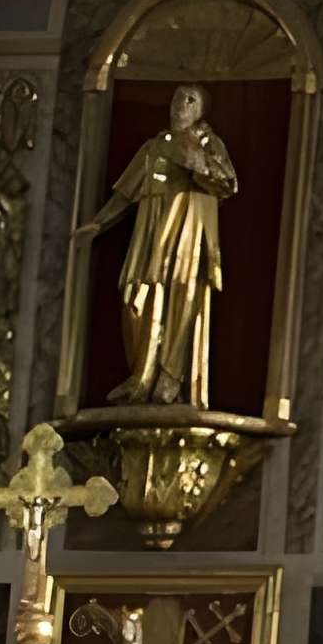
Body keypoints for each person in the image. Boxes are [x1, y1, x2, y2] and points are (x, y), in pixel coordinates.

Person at [77, 84, 238, 406]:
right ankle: (141, 376)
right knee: (134, 296)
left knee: (182, 296)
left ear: (201, 112)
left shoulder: (209, 143)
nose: (181, 104)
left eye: (190, 99)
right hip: (150, 230)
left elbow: (226, 183)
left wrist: (195, 158)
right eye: (177, 97)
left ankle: (170, 378)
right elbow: (126, 192)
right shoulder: (154, 146)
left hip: (188, 230)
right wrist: (97, 224)